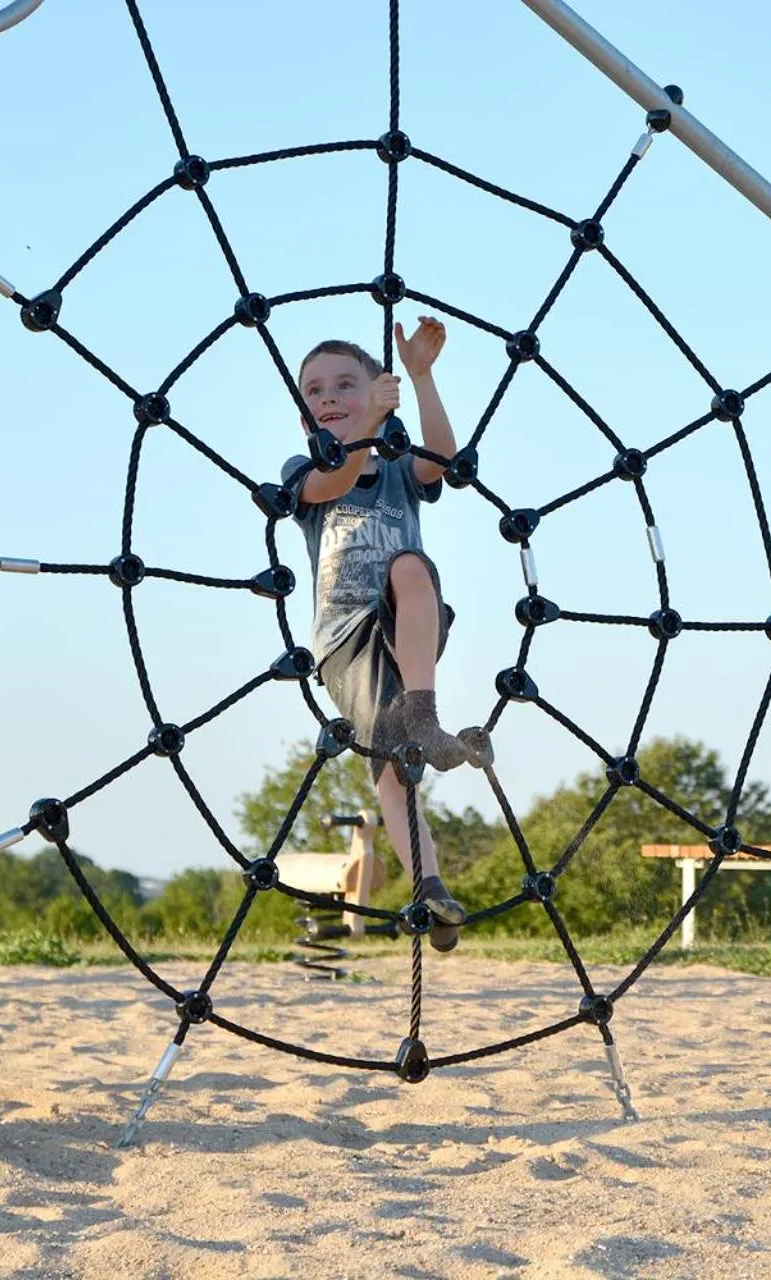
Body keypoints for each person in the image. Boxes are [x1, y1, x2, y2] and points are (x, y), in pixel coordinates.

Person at [281, 318, 478, 951]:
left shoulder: (398, 470)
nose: (329, 396)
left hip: (408, 624)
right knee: (394, 771)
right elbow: (334, 480)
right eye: (314, 391)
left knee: (410, 566)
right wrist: (367, 426)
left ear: (379, 393)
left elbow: (444, 461)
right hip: (344, 644)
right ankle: (432, 888)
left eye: (345, 384)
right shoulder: (302, 471)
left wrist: (421, 378)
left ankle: (424, 711)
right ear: (304, 417)